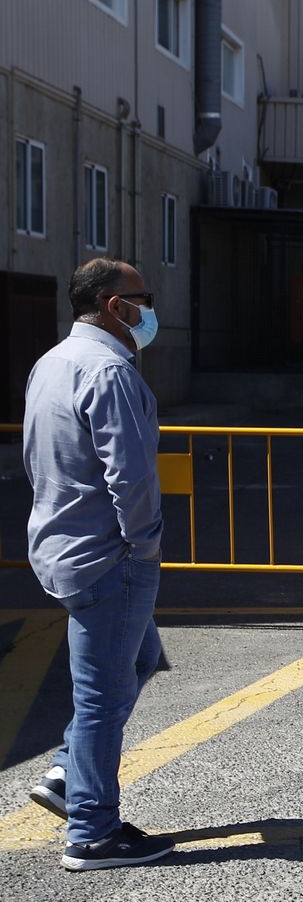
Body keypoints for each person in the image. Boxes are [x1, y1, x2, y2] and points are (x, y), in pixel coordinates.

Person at [23, 258, 173, 871]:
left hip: (61, 546)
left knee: (138, 659)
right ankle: (93, 831)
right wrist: (143, 547)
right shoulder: (109, 369)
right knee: (104, 694)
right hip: (108, 556)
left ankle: (67, 772)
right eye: (144, 299)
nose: (150, 311)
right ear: (117, 306)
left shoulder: (52, 362)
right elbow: (130, 477)